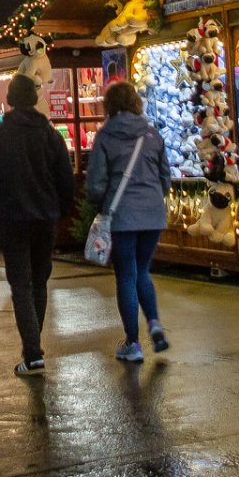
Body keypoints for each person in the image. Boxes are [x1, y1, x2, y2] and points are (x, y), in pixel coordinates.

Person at [0, 74, 75, 375]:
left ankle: (33, 353)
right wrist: (61, 208)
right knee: (39, 280)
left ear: (10, 100)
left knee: (20, 283)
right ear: (34, 98)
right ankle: (34, 348)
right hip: (45, 217)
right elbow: (65, 177)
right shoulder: (50, 135)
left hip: (12, 217)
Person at [84, 81, 172, 362]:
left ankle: (133, 343)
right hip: (153, 214)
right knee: (143, 270)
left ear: (109, 105)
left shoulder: (106, 136)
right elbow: (165, 179)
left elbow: (96, 183)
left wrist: (100, 202)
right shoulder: (152, 134)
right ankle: (155, 323)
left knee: (126, 275)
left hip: (121, 215)